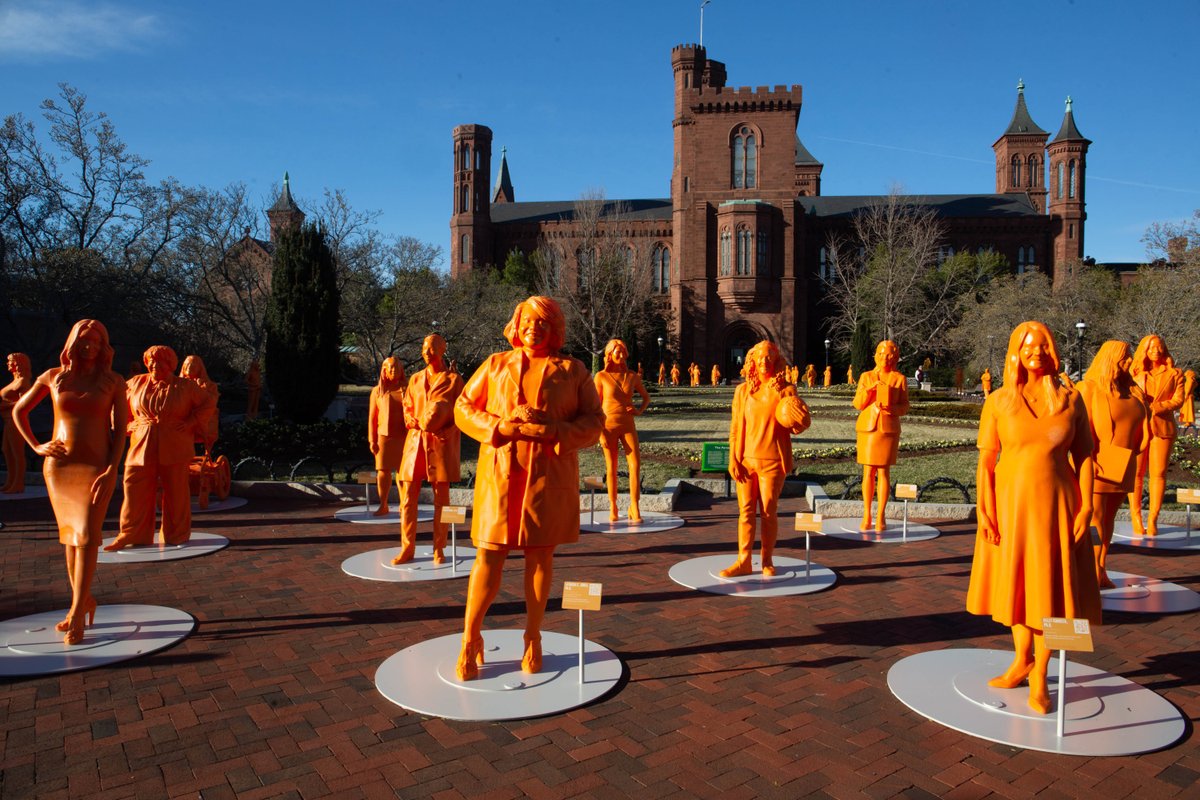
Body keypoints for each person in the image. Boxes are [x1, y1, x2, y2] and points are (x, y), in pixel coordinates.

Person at [453, 296, 604, 680]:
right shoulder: (495, 365)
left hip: (547, 476)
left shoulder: (573, 370)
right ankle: (470, 638)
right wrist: (500, 427)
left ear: (555, 330)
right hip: (501, 474)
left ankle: (533, 636)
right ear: (515, 324)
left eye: (543, 323)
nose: (534, 328)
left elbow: (594, 422)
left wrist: (556, 431)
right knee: (488, 556)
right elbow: (463, 407)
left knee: (540, 557)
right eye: (528, 321)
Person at [967, 321, 1101, 714]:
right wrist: (985, 510)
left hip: (1057, 506)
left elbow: (1086, 458)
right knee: (1018, 586)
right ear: (1015, 352)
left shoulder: (1071, 399)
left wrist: (1088, 506)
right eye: (1028, 347)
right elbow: (987, 461)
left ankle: (1041, 673)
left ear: (1052, 350)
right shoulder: (998, 401)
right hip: (1010, 505)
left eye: (1043, 346)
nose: (1036, 353)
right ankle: (1021, 658)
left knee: (1050, 589)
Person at [12, 320, 127, 644]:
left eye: (95, 341)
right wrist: (36, 445)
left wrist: (112, 469)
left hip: (96, 467)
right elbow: (20, 411)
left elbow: (120, 431)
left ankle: (77, 610)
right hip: (59, 467)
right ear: (73, 344)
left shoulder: (113, 382)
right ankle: (80, 602)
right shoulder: (53, 377)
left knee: (89, 535)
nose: (89, 346)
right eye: (83, 340)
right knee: (70, 535)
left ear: (103, 346)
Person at [108, 346, 216, 550]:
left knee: (176, 491)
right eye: (152, 362)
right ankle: (131, 533)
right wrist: (128, 426)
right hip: (141, 444)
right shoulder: (135, 383)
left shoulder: (185, 386)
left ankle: (176, 534)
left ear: (171, 365)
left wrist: (192, 422)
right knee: (134, 488)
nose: (155, 365)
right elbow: (117, 407)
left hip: (175, 444)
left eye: (161, 362)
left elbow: (208, 404)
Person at [721, 341, 811, 577]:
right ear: (752, 360)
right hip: (745, 461)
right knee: (745, 512)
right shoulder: (742, 392)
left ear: (776, 360)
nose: (764, 361)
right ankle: (743, 560)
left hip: (772, 461)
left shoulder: (786, 390)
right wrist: (733, 458)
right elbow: (734, 428)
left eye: (769, 357)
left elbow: (796, 424)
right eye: (760, 357)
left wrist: (800, 423)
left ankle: (767, 561)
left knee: (769, 512)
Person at [1077, 341, 1148, 589]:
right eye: (1124, 358)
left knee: (1109, 520)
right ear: (1109, 359)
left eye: (1129, 357)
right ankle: (1089, 570)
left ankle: (1100, 568)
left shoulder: (1132, 389)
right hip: (1097, 465)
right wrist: (1086, 460)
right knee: (1094, 519)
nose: (1129, 362)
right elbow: (1078, 428)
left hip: (1124, 462)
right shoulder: (1089, 389)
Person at [395, 335, 463, 565]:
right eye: (424, 348)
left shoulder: (454, 380)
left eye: (432, 348)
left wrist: (450, 428)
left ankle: (439, 548)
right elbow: (407, 406)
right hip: (415, 444)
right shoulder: (414, 379)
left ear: (442, 350)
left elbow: (463, 412)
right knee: (407, 500)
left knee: (441, 501)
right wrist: (410, 419)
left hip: (439, 445)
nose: (427, 352)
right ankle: (407, 548)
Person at [1127, 335, 1183, 536]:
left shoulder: (1175, 374)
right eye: (1152, 348)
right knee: (1136, 474)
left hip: (1163, 428)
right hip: (1138, 428)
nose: (1156, 351)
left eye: (1160, 348)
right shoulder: (1134, 374)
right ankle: (1136, 517)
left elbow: (1178, 399)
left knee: (1158, 474)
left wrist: (1157, 407)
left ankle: (1153, 519)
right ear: (1145, 350)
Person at [853, 340, 910, 531]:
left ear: (894, 357)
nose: (884, 358)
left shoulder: (898, 379)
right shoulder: (866, 377)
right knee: (868, 471)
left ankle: (881, 516)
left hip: (887, 429)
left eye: (888, 355)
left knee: (884, 471)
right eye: (880, 353)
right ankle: (867, 514)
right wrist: (870, 390)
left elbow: (905, 407)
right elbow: (858, 404)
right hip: (868, 429)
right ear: (876, 355)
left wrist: (891, 408)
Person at [595, 339, 652, 522]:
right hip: (608, 426)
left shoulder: (632, 376)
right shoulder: (601, 377)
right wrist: (600, 432)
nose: (620, 355)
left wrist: (638, 410)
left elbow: (646, 398)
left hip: (628, 425)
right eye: (616, 352)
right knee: (611, 467)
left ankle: (634, 505)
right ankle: (613, 505)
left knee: (635, 465)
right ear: (609, 354)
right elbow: (594, 406)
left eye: (622, 351)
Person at [368, 357, 407, 517]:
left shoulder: (408, 389)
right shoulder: (377, 391)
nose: (394, 371)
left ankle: (404, 504)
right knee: (383, 471)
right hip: (383, 437)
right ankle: (383, 504)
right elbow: (372, 418)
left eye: (397, 368)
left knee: (403, 472)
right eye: (390, 368)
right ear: (384, 370)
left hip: (404, 436)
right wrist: (372, 439)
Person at [2, 353, 33, 493]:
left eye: (11, 362)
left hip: (17, 421)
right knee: (6, 450)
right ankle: (10, 481)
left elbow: (25, 403)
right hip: (8, 420)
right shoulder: (15, 381)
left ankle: (18, 483)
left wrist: (6, 406)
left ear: (18, 364)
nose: (8, 364)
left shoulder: (23, 382)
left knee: (17, 452)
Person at [180, 355, 219, 452]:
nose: (189, 368)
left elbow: (212, 401)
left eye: (193, 365)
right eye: (187, 365)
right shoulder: (177, 385)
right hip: (183, 419)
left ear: (200, 368)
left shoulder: (210, 386)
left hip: (202, 419)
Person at [1181, 369, 1197, 434]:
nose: (1185, 375)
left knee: (1187, 410)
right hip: (1189, 397)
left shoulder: (1189, 380)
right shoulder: (1192, 380)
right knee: (1188, 410)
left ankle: (1188, 421)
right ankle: (1188, 421)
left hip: (1188, 397)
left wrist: (1186, 395)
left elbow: (1188, 388)